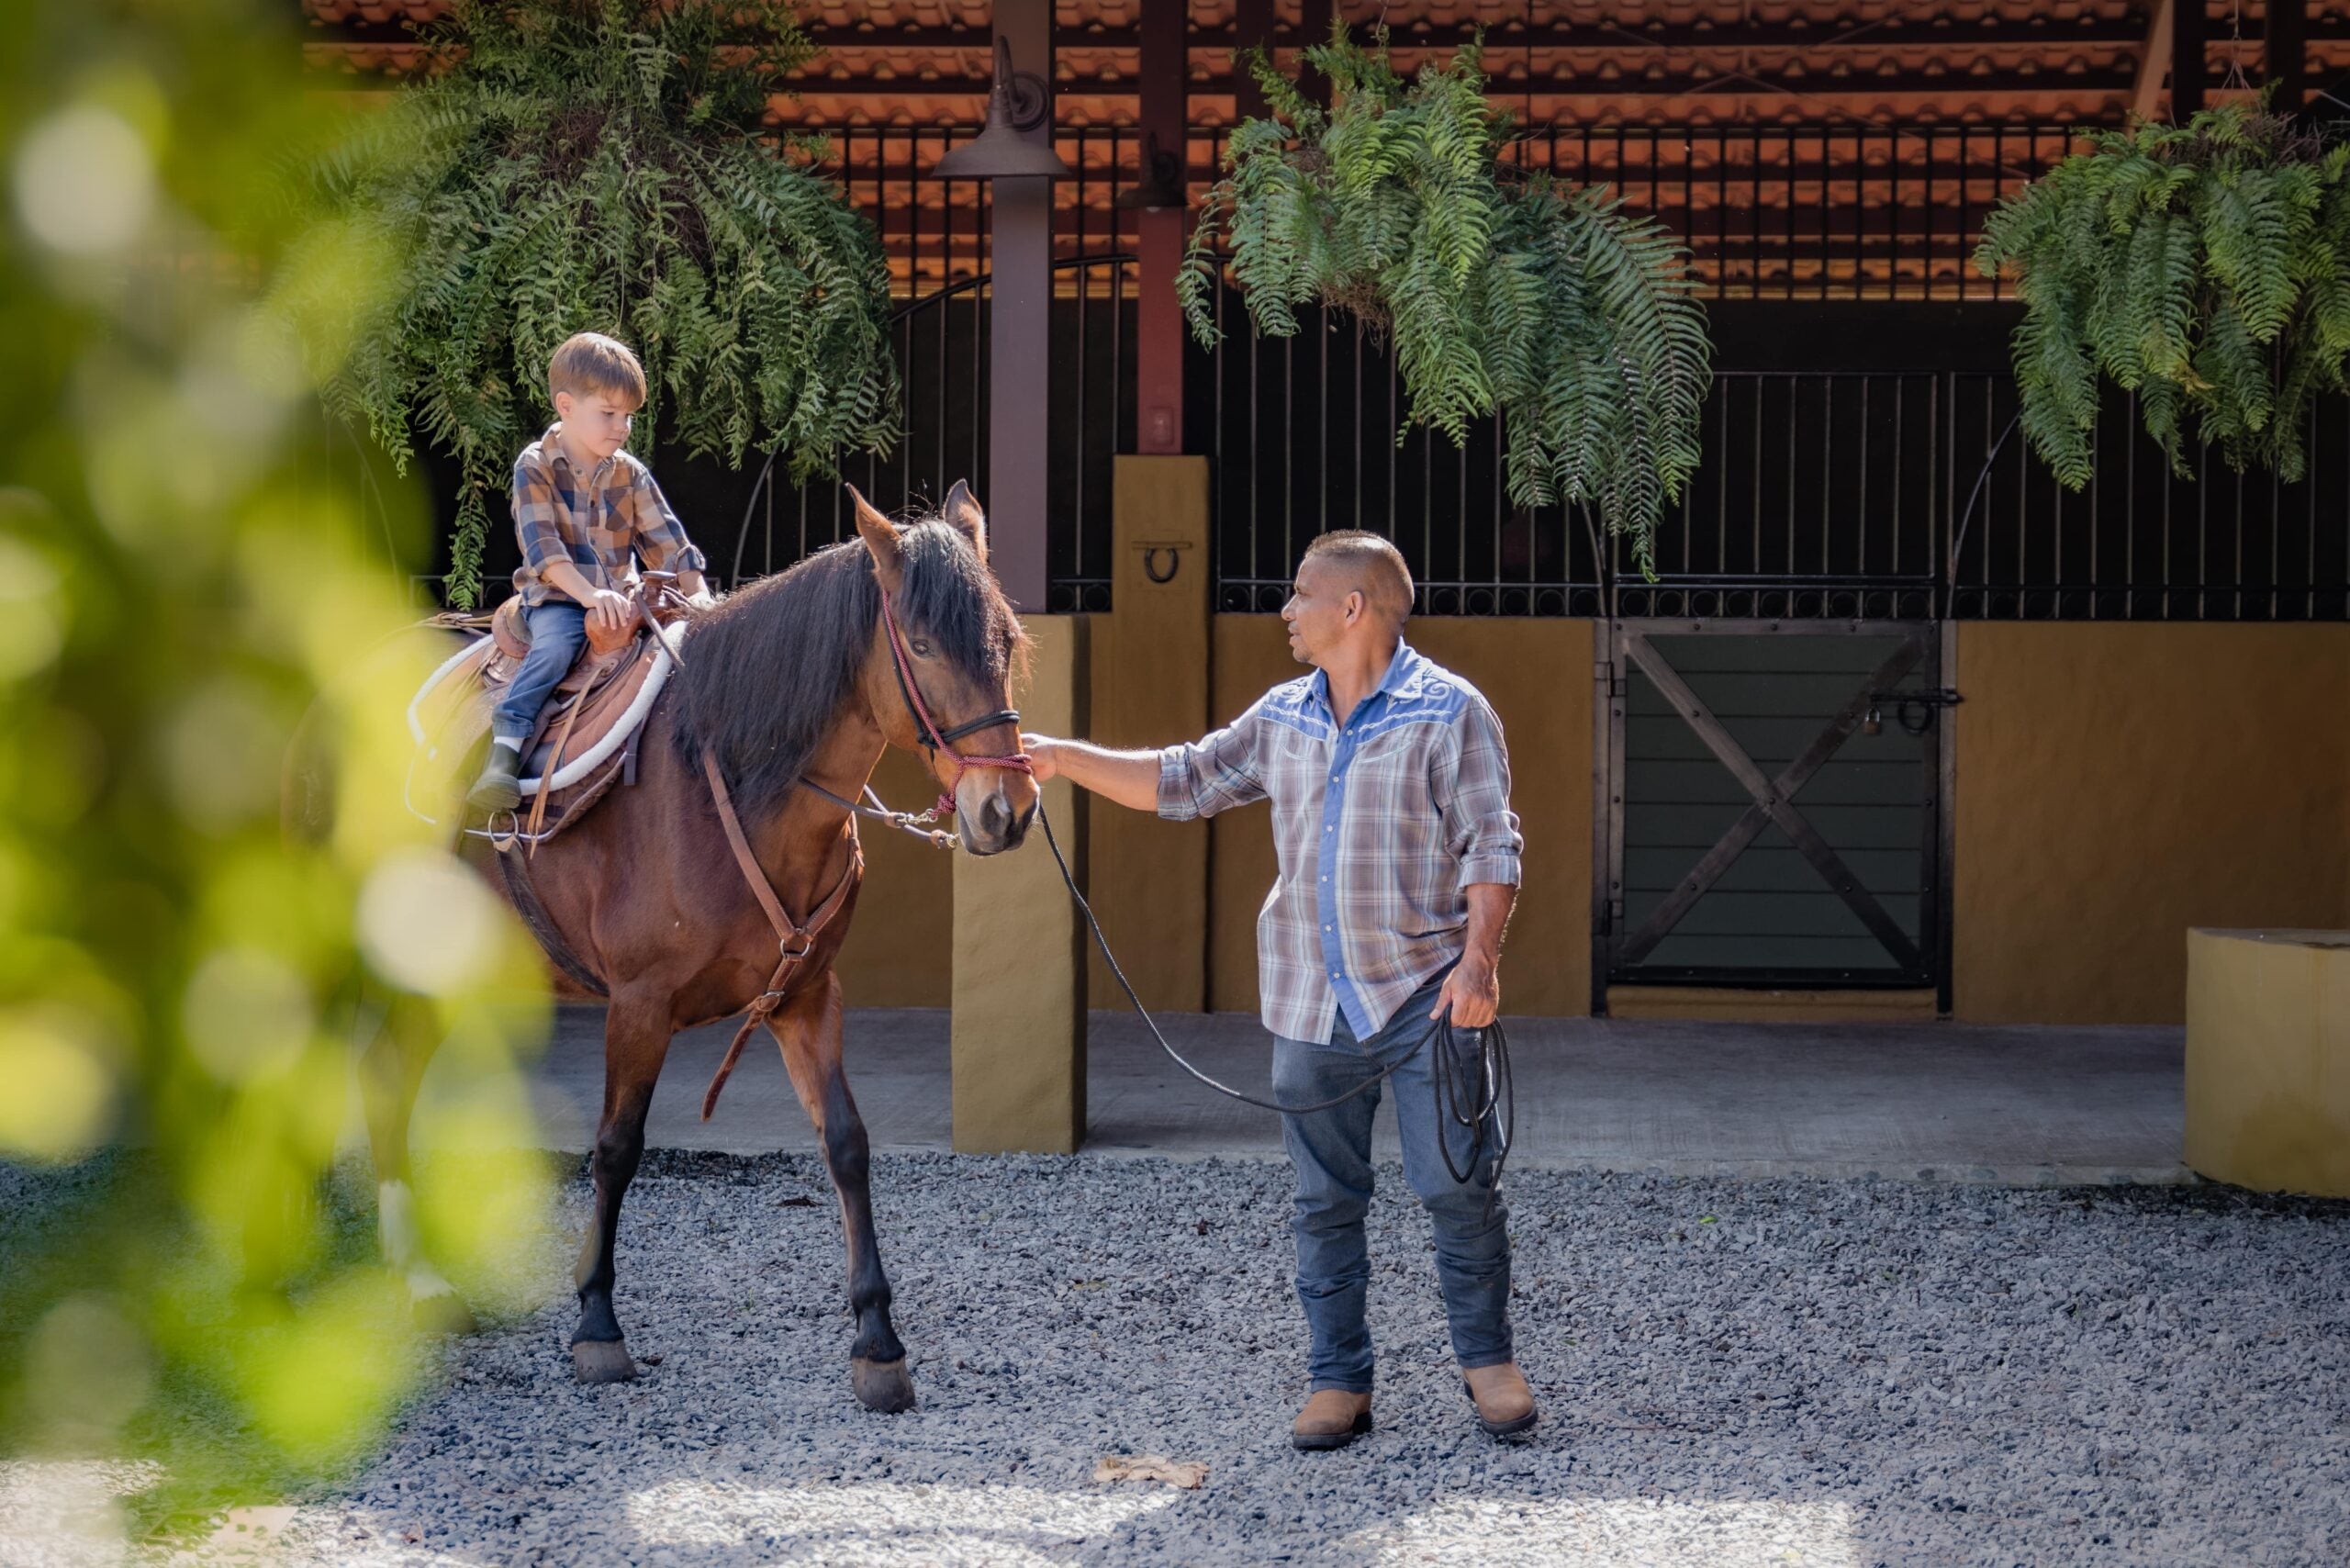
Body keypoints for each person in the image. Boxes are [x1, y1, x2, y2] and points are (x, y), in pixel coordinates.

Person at [1024, 531, 1535, 1450]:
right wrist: (1060, 757)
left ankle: (1488, 1363)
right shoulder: (1281, 716)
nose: (1284, 611)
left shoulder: (1450, 712)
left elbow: (1491, 844)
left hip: (1428, 999)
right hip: (1310, 1004)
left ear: (1354, 608)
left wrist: (1480, 963)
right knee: (1322, 1202)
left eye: (1301, 595)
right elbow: (1182, 779)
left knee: (1458, 1186)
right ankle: (1338, 1381)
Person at [466, 330, 714, 812]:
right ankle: (505, 753)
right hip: (559, 598)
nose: (622, 427)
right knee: (557, 647)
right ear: (566, 405)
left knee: (676, 653)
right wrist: (590, 596)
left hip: (622, 601)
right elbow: (545, 552)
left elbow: (669, 543)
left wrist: (700, 595)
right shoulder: (534, 466)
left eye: (628, 417)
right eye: (609, 413)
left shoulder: (631, 473)